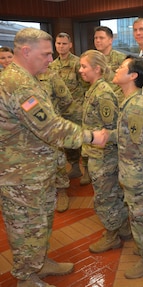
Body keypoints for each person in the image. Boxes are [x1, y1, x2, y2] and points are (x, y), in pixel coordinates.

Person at [0, 27, 106, 287]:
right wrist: (92, 136)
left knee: (40, 223)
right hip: (21, 176)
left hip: (35, 170)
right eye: (46, 54)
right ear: (26, 51)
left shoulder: (29, 77)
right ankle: (26, 277)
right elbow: (51, 127)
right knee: (26, 229)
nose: (51, 60)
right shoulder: (19, 84)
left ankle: (40, 262)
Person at [107, 56, 143, 279]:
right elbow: (127, 136)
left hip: (138, 175)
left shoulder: (136, 106)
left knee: (142, 217)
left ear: (133, 76)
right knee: (138, 216)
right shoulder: (128, 101)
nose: (116, 70)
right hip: (132, 172)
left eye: (121, 67)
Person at [79, 49, 131, 253]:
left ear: (97, 69)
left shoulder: (103, 93)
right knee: (111, 195)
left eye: (84, 66)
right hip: (96, 154)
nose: (80, 70)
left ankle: (112, 235)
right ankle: (122, 228)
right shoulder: (93, 89)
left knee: (106, 197)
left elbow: (112, 129)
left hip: (104, 156)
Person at [50, 32, 91, 185]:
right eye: (59, 43)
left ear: (70, 45)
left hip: (77, 109)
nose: (61, 46)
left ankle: (87, 170)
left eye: (64, 43)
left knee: (84, 141)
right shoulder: (51, 66)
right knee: (68, 141)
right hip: (60, 111)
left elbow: (86, 84)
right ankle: (75, 167)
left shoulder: (78, 63)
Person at [37, 67, 75, 213]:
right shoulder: (21, 79)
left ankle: (62, 191)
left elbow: (66, 98)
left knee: (58, 159)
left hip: (51, 127)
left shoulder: (51, 75)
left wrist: (55, 114)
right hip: (31, 128)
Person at [94, 26, 126, 103]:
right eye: (95, 38)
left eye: (101, 38)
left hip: (116, 100)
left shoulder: (121, 58)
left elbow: (127, 82)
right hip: (97, 100)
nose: (97, 40)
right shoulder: (92, 59)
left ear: (110, 40)